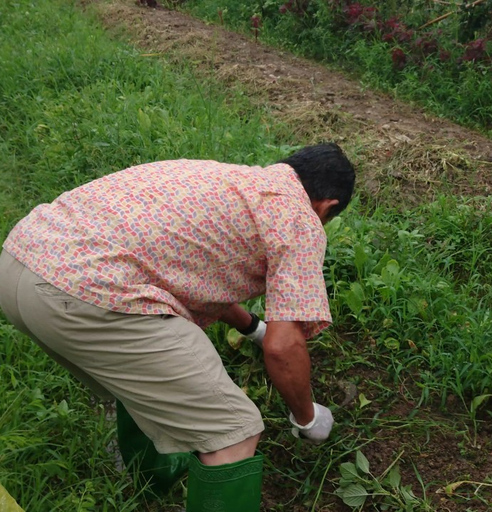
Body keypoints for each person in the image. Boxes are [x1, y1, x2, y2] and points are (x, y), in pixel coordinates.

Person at [0, 142, 355, 511]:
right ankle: (171, 476)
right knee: (234, 432)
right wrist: (306, 417)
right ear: (326, 207)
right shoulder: (299, 219)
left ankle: (148, 482)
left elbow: (197, 277)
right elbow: (284, 347)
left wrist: (253, 327)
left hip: (20, 265)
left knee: (142, 381)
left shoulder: (230, 180)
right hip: (83, 296)